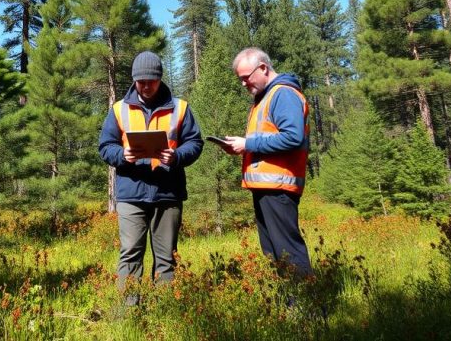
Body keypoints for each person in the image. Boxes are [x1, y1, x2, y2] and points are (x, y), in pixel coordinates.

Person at [98, 51, 203, 303]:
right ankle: (129, 310)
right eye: (141, 81)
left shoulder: (180, 108)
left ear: (160, 78)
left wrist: (176, 156)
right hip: (131, 194)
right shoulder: (119, 110)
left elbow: (195, 143)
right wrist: (123, 155)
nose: (146, 86)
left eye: (151, 81)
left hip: (168, 193)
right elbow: (105, 147)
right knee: (130, 253)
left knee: (166, 255)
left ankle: (164, 308)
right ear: (134, 80)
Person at [221, 47, 313, 279]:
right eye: (239, 79)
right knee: (273, 251)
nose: (243, 84)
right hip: (266, 187)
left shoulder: (283, 94)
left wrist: (248, 144)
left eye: (246, 77)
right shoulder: (263, 98)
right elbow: (267, 139)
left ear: (263, 68)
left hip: (279, 187)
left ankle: (307, 307)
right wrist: (240, 148)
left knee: (288, 250)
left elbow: (292, 137)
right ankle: (289, 304)